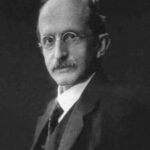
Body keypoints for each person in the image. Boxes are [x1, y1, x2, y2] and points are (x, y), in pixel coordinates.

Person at [31, 0, 150, 150]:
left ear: (100, 45)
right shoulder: (49, 111)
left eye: (71, 36)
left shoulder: (125, 116)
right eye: (48, 40)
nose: (58, 53)